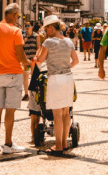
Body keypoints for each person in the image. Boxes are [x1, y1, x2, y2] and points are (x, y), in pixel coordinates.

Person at [0, 3, 30, 154]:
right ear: (11, 15)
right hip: (13, 73)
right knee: (10, 110)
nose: (18, 19)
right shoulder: (15, 31)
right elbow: (20, 54)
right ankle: (8, 144)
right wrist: (28, 64)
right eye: (18, 16)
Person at [34, 15, 78, 154]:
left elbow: (39, 60)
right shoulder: (69, 41)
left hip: (55, 79)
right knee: (66, 113)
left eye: (46, 29)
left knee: (57, 114)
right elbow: (75, 61)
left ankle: (58, 146)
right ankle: (64, 143)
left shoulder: (49, 42)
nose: (45, 32)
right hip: (68, 78)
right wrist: (65, 67)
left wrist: (38, 51)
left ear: (52, 27)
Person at [22, 22, 38, 102]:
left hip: (33, 60)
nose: (27, 27)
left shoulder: (36, 36)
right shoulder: (23, 35)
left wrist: (35, 56)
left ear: (32, 26)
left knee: (33, 76)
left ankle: (33, 94)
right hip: (25, 60)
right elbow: (20, 48)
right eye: (26, 25)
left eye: (28, 26)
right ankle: (26, 94)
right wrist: (23, 41)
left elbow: (39, 48)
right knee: (25, 77)